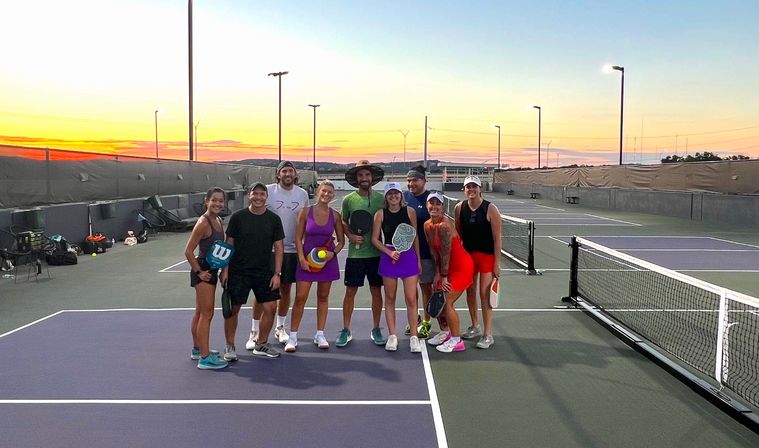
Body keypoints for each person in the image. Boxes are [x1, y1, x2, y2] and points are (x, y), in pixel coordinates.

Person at [244, 160, 309, 351]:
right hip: (268, 251)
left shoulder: (302, 194)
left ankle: (280, 328)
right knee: (261, 292)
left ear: (295, 174)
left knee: (286, 290)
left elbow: (303, 221)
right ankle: (254, 331)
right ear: (278, 174)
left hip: (291, 250)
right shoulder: (268, 191)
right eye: (284, 171)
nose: (287, 174)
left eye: (291, 171)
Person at [220, 182, 284, 360]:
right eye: (255, 194)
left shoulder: (273, 219)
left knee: (271, 307)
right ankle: (230, 346)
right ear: (249, 195)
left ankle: (261, 344)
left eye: (262, 194)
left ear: (266, 197)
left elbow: (279, 248)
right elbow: (228, 244)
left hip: (265, 271)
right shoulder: (238, 218)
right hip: (238, 271)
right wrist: (225, 270)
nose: (258, 197)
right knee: (233, 309)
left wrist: (277, 273)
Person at [286, 180, 345, 352]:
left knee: (323, 297)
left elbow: (341, 241)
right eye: (324, 191)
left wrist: (332, 254)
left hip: (327, 262)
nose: (327, 194)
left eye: (330, 192)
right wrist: (302, 259)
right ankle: (293, 336)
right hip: (306, 261)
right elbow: (297, 238)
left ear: (333, 195)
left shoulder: (335, 216)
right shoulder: (305, 212)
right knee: (300, 298)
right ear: (318, 192)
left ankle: (320, 334)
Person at [337, 160, 386, 347]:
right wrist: (349, 235)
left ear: (372, 178)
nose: (364, 178)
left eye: (367, 175)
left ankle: (376, 328)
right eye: (360, 175)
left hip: (376, 254)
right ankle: (346, 330)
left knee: (376, 291)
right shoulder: (349, 200)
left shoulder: (381, 199)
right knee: (350, 292)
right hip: (355, 256)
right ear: (356, 179)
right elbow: (342, 221)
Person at [371, 182, 421, 352]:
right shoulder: (380, 214)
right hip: (389, 257)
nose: (393, 196)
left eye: (396, 193)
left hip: (408, 258)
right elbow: (375, 239)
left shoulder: (410, 212)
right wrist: (389, 252)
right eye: (390, 193)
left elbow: (414, 237)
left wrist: (418, 260)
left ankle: (414, 336)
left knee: (411, 298)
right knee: (390, 298)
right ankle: (392, 336)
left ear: (401, 195)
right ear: (386, 197)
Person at [424, 191, 474, 353]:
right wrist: (438, 273)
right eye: (431, 203)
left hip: (461, 267)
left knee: (446, 302)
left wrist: (443, 276)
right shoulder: (427, 225)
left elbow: (446, 252)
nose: (434, 206)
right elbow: (434, 251)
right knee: (436, 297)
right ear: (427, 206)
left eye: (438, 204)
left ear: (443, 207)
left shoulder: (445, 226)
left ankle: (457, 340)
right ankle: (445, 332)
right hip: (445, 268)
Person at [454, 175, 500, 349]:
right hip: (468, 257)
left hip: (487, 258)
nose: (471, 189)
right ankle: (475, 326)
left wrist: (497, 264)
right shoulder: (460, 208)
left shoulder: (491, 209)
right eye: (468, 187)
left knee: (484, 294)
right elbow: (458, 235)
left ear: (480, 189)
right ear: (464, 190)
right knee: (470, 292)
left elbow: (497, 239)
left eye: (474, 186)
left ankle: (488, 335)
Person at [184, 187, 228, 370]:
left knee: (199, 312)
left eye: (220, 201)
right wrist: (200, 272)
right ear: (206, 201)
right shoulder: (203, 223)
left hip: (211, 269)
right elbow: (188, 251)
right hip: (204, 271)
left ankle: (197, 349)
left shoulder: (217, 219)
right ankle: (205, 357)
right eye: (214, 200)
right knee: (207, 314)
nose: (217, 203)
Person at [403, 165, 437, 339]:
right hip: (407, 254)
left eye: (415, 180)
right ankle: (413, 318)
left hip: (425, 254)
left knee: (426, 289)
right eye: (409, 180)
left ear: (424, 180)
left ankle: (426, 321)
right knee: (410, 290)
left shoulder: (431, 199)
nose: (411, 184)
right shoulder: (404, 197)